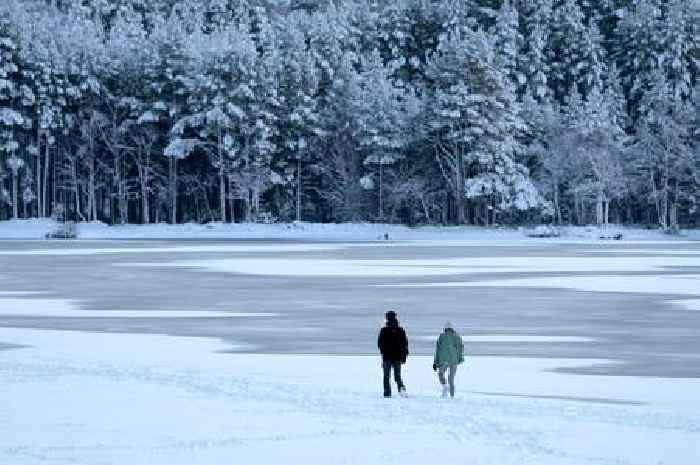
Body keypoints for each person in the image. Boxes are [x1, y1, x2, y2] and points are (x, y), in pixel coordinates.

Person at [377, 310, 409, 398]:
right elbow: (405, 344)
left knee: (386, 376)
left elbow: (379, 343)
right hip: (397, 357)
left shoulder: (384, 330)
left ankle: (387, 393)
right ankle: (402, 390)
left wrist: (383, 352)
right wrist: (404, 356)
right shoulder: (400, 330)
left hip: (387, 357)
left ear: (387, 318)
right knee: (397, 376)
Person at [432, 322, 464, 398]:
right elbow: (460, 349)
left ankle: (445, 386)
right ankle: (452, 396)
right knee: (451, 379)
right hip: (453, 360)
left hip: (444, 360)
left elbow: (438, 350)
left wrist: (435, 362)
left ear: (445, 328)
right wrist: (460, 359)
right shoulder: (457, 336)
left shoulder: (442, 337)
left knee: (441, 374)